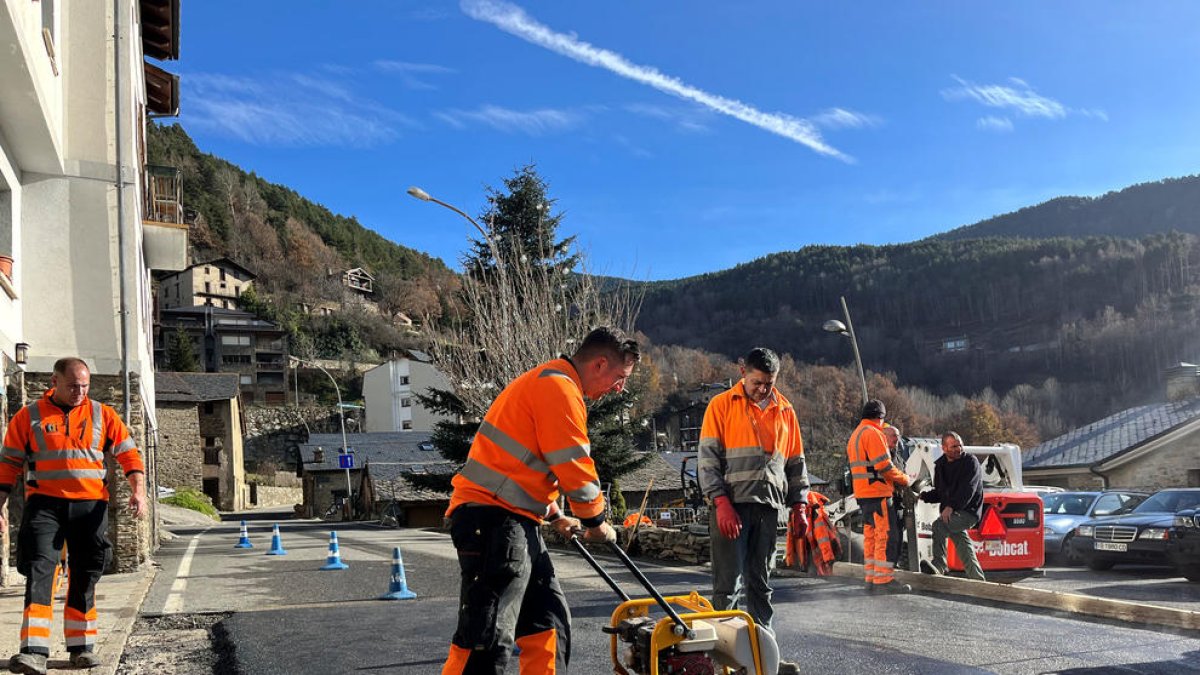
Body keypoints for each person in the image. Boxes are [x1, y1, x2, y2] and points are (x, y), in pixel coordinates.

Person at [441, 327, 637, 674]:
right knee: (486, 636)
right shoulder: (559, 388)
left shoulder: (552, 383)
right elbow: (573, 463)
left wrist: (555, 514)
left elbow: (524, 468)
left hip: (513, 518)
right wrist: (596, 522)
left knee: (548, 624)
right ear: (600, 364)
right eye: (620, 377)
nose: (619, 388)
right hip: (492, 520)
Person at [0, 358, 147, 674]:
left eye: (85, 386)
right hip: (44, 506)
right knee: (41, 568)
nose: (80, 392)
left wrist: (139, 491)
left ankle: (81, 649)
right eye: (72, 385)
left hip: (90, 506)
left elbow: (129, 454)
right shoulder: (30, 417)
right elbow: (8, 464)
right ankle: (33, 651)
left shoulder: (102, 414)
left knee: (85, 573)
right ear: (54, 381)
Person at [698, 347, 808, 674]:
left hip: (768, 508)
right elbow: (707, 463)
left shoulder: (785, 409)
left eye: (769, 383)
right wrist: (721, 504)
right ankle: (724, 664)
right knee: (728, 586)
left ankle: (764, 658)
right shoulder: (721, 405)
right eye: (758, 382)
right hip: (730, 508)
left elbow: (796, 462)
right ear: (742, 370)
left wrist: (800, 505)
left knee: (761, 583)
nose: (763, 389)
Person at [846, 399, 911, 593]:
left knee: (871, 537)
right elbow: (884, 466)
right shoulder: (873, 433)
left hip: (863, 495)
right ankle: (883, 581)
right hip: (878, 493)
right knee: (885, 536)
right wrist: (905, 479)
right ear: (880, 418)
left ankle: (871, 579)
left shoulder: (855, 435)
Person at [919, 431, 985, 581]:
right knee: (964, 548)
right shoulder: (940, 466)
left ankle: (939, 565)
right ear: (944, 448)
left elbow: (968, 489)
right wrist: (923, 496)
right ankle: (978, 580)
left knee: (938, 526)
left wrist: (951, 507)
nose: (958, 449)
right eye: (954, 446)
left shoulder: (970, 462)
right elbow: (940, 493)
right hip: (951, 514)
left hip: (968, 512)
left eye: (960, 445)